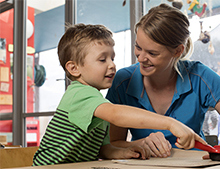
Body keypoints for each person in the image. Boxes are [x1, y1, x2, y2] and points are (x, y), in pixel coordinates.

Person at [106, 3, 220, 161]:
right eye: (138, 47)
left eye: (152, 53)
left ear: (178, 51)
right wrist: (142, 143)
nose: (140, 58)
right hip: (147, 162)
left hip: (195, 160)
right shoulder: (123, 81)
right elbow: (112, 144)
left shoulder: (199, 76)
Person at [32, 23, 205, 166]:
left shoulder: (97, 102)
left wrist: (123, 151)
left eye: (112, 58)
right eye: (102, 59)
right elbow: (116, 114)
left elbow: (103, 148)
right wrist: (169, 123)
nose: (112, 65)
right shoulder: (78, 94)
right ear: (74, 68)